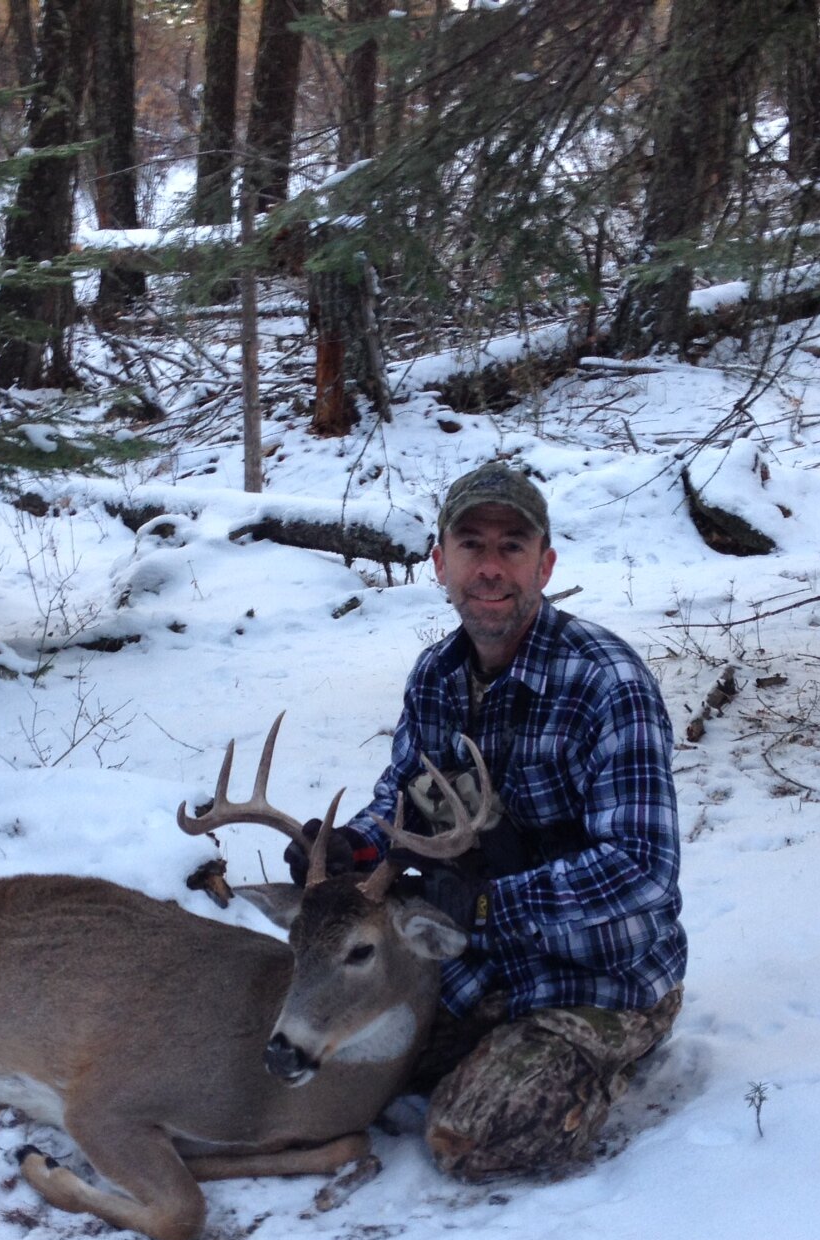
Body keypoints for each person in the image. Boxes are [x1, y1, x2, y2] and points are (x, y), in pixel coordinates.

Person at [288, 460, 687, 1181]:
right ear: (440, 563)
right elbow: (404, 799)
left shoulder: (606, 683)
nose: (491, 567)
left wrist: (482, 905)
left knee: (468, 1138)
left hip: (599, 976)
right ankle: (485, 1045)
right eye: (472, 545)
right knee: (333, 1069)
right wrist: (356, 843)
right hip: (475, 964)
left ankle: (609, 1056)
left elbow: (643, 871)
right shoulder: (435, 677)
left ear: (546, 563)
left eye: (513, 546)